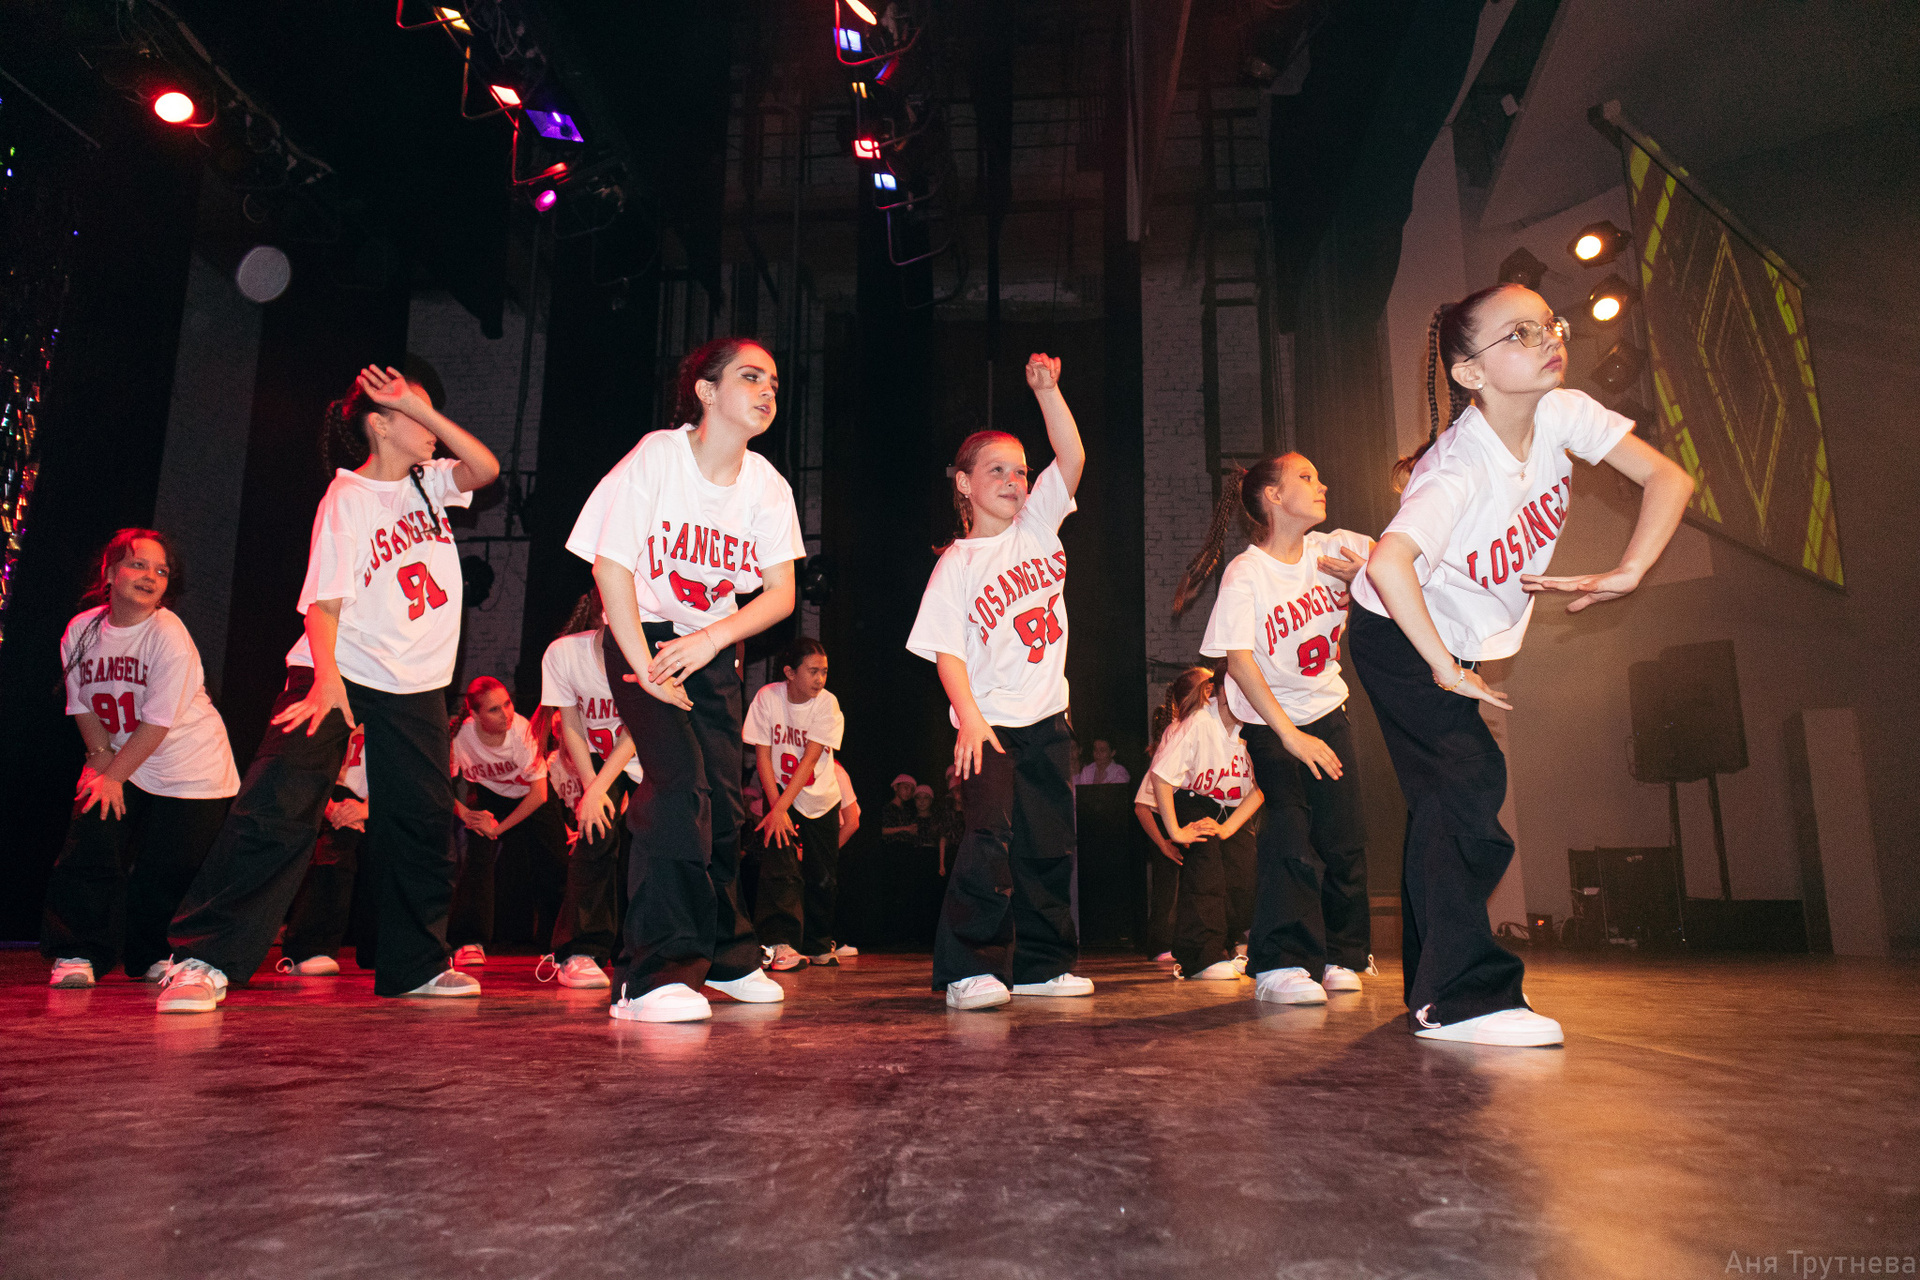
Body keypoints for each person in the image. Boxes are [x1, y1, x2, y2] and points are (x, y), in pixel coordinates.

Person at [1347, 283, 1694, 1047]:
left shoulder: (1564, 413)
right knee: (1467, 782)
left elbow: (1669, 478)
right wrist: (1443, 667)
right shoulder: (1458, 468)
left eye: (1549, 325)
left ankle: (1431, 987)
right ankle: (1463, 997)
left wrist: (1631, 569)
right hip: (1400, 633)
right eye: (1521, 333)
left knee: (1444, 799)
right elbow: (1388, 564)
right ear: (1470, 372)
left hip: (1454, 637)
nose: (1548, 339)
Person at [159, 367, 499, 1012]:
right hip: (335, 668)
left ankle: (415, 964)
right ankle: (204, 958)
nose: (430, 427)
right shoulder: (347, 497)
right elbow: (323, 604)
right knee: (277, 807)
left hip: (415, 683)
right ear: (379, 425)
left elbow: (485, 468)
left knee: (420, 823)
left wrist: (421, 408)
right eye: (413, 413)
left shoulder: (428, 483)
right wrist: (325, 683)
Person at [567, 336, 804, 1023]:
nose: (767, 390)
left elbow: (781, 595)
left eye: (774, 382)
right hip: (641, 637)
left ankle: (726, 956)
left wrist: (708, 641)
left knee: (724, 807)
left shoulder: (767, 485)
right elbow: (610, 567)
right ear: (705, 390)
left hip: (709, 649)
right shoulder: (658, 457)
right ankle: (652, 976)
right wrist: (643, 665)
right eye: (751, 377)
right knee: (676, 792)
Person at [906, 352, 1091, 1011]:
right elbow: (947, 654)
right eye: (997, 470)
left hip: (1048, 719)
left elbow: (1072, 456)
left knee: (1049, 847)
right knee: (989, 844)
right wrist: (971, 720)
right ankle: (970, 970)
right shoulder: (958, 563)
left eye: (1020, 470)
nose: (1014, 480)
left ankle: (1040, 965)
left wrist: (1048, 392)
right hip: (989, 725)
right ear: (964, 483)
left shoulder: (1038, 525)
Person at [1175, 450, 1375, 1007]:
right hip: (1271, 721)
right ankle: (1280, 962)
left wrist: (1367, 575)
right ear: (1274, 496)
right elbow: (1239, 661)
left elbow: (1408, 562)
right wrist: (1289, 735)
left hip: (1327, 711)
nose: (1322, 484)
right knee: (1289, 828)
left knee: (1345, 836)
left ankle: (1342, 954)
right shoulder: (1247, 572)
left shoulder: (1337, 548)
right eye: (1306, 477)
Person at [42, 530, 240, 989]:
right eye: (138, 564)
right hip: (121, 756)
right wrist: (99, 762)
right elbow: (81, 705)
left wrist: (113, 774)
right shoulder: (81, 630)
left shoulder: (168, 634)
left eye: (161, 570)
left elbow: (157, 723)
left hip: (189, 763)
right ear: (110, 573)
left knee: (169, 869)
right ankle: (77, 951)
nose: (151, 576)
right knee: (91, 839)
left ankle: (155, 953)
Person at [537, 588, 645, 989]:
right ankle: (579, 951)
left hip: (646, 752)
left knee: (653, 846)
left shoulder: (646, 656)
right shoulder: (564, 654)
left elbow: (635, 731)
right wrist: (591, 791)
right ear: (606, 613)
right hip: (597, 758)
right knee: (595, 833)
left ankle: (646, 947)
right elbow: (571, 725)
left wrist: (598, 788)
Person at [1143, 667, 1264, 981]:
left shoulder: (1254, 726)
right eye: (1236, 687)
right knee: (1205, 873)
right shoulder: (1198, 722)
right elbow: (1161, 775)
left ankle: (1232, 945)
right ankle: (1200, 957)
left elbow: (1261, 788)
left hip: (1233, 811)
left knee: (1243, 879)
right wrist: (1175, 831)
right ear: (1217, 691)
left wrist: (1229, 828)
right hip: (1195, 801)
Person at [448, 677, 569, 965]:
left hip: (530, 796)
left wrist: (498, 828)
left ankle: (557, 945)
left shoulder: (522, 731)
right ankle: (469, 942)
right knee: (477, 855)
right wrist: (467, 815)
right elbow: (439, 783)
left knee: (554, 863)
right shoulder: (461, 737)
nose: (506, 714)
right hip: (488, 794)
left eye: (507, 704)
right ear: (475, 714)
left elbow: (539, 794)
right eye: (494, 709)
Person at [745, 637, 847, 970]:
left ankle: (818, 943)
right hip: (779, 793)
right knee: (780, 867)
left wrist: (779, 809)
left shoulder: (827, 704)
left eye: (825, 671)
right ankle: (780, 943)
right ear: (790, 672)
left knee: (822, 876)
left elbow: (809, 760)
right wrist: (777, 809)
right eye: (813, 671)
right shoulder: (767, 698)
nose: (820, 679)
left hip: (819, 797)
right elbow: (762, 756)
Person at [277, 725, 368, 976]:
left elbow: (401, 774)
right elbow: (307, 768)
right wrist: (330, 808)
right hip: (331, 795)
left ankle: (389, 946)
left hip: (378, 801)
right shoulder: (334, 716)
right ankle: (308, 949)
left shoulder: (395, 716)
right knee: (332, 857)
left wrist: (365, 810)